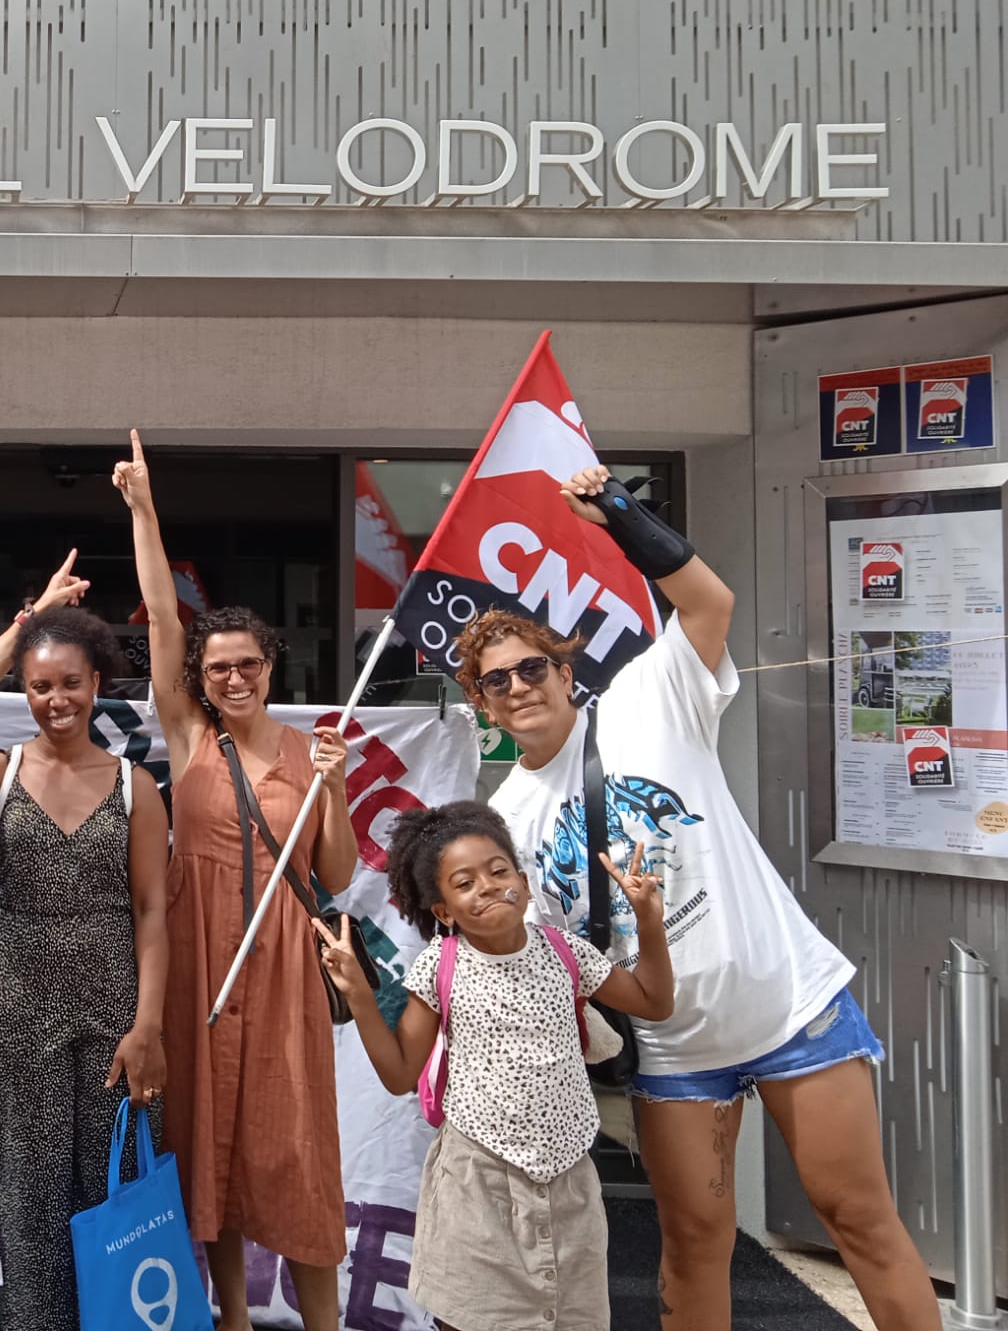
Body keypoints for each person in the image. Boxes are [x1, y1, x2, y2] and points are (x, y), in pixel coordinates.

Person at [461, 464, 940, 1331]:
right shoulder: (503, 821)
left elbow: (708, 603)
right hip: (674, 1049)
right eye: (496, 680)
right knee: (693, 1242)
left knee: (860, 1219)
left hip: (789, 1003)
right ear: (481, 703)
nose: (520, 685)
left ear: (565, 671)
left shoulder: (651, 696)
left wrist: (618, 514)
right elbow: (548, 952)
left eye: (532, 666)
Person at [112, 429, 354, 1331]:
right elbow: (163, 618)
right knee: (205, 1142)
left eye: (248, 664)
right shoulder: (189, 737)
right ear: (201, 681)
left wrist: (330, 788)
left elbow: (333, 874)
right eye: (219, 670)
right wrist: (143, 509)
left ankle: (323, 1321)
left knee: (294, 1146)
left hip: (284, 959)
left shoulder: (307, 751)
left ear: (270, 666)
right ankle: (232, 1318)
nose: (233, 678)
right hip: (203, 951)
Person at [319, 802, 675, 1331]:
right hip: (477, 1186)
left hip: (570, 1183)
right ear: (444, 912)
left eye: (498, 871)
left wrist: (648, 921)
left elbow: (653, 1001)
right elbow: (398, 1074)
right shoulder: (439, 967)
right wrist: (362, 1001)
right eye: (464, 883)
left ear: (525, 884)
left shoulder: (567, 953)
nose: (486, 886)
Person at [0, 594, 168, 1331]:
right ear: (23, 691)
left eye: (70, 683)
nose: (56, 700)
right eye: (40, 686)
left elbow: (153, 911)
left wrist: (147, 1025)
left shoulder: (134, 785)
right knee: (30, 1192)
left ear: (97, 685)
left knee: (111, 1185)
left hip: (113, 1002)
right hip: (17, 1002)